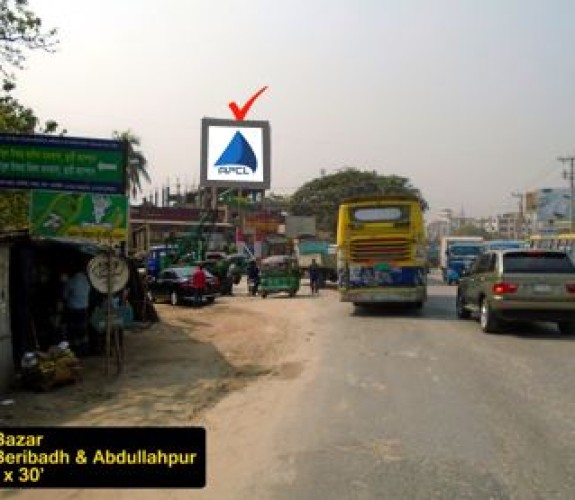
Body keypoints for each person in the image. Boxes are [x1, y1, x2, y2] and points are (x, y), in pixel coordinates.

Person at [62, 262, 91, 355]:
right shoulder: (86, 280)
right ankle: (85, 349)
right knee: (83, 330)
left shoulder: (72, 281)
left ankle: (77, 351)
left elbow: (65, 295)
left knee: (74, 331)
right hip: (84, 308)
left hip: (74, 309)